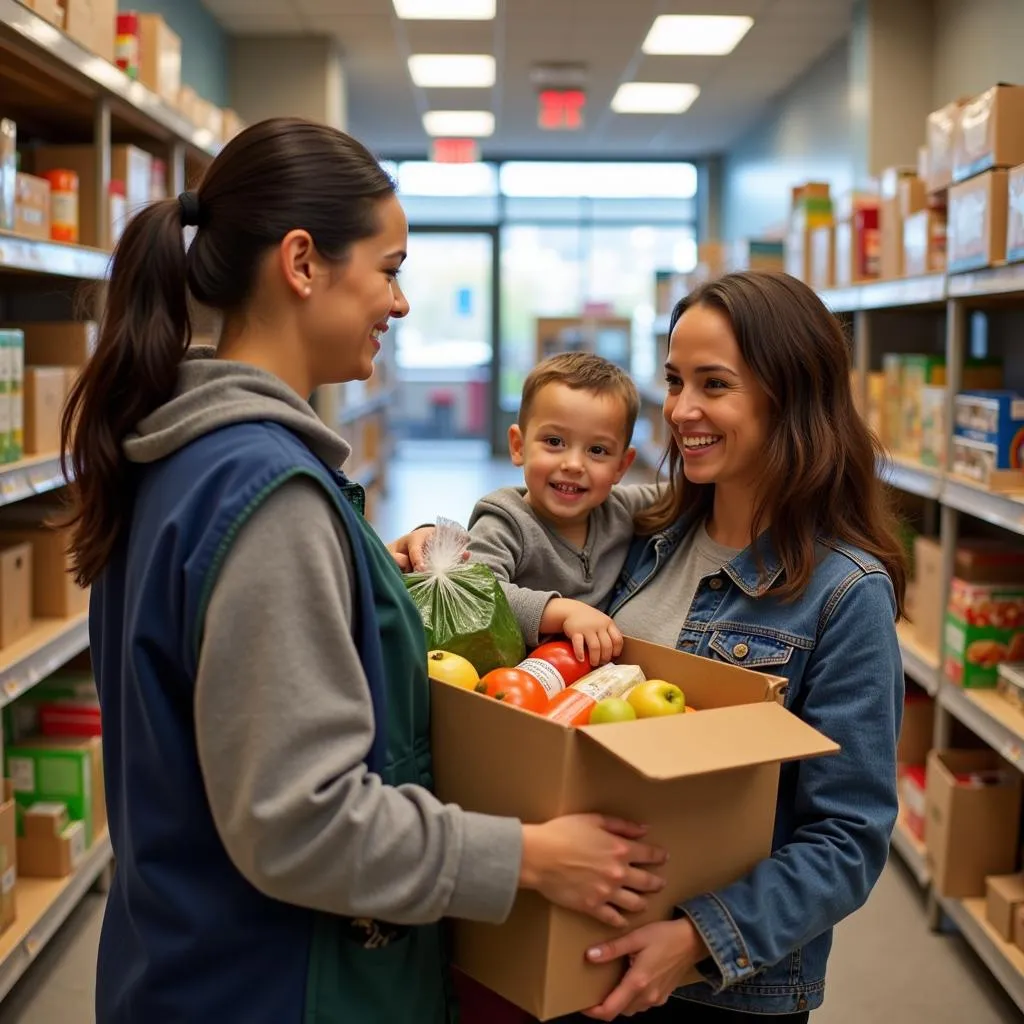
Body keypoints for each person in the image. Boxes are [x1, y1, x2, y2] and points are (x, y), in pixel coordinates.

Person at [60, 117, 668, 1024]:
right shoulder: (267, 495)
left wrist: (356, 572)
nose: (400, 303)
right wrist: (535, 856)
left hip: (186, 964)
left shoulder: (183, 456)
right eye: (388, 269)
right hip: (282, 987)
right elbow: (300, 822)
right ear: (302, 264)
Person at [397, 270, 905, 1023]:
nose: (682, 410)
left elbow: (848, 839)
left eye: (714, 384)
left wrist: (696, 940)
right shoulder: (645, 533)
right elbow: (537, 519)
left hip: (709, 988)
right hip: (576, 947)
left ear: (789, 395)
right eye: (674, 380)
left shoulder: (842, 593)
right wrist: (434, 548)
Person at [467, 352, 661, 666]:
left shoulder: (619, 509)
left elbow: (682, 495)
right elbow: (474, 591)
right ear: (518, 446)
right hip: (515, 684)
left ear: (621, 467)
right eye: (555, 441)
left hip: (590, 685)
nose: (573, 464)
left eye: (597, 450)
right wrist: (563, 612)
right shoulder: (505, 519)